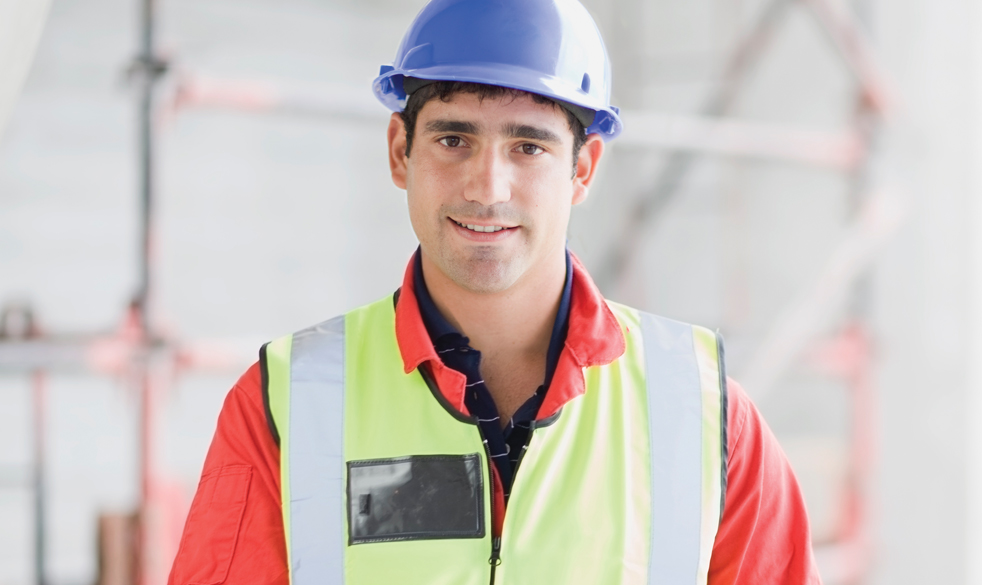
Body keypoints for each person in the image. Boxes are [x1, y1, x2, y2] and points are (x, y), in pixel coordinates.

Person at [167, 0, 820, 583]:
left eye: (529, 146)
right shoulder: (287, 404)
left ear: (582, 168)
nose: (487, 187)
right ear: (400, 151)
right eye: (454, 139)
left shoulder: (706, 414)